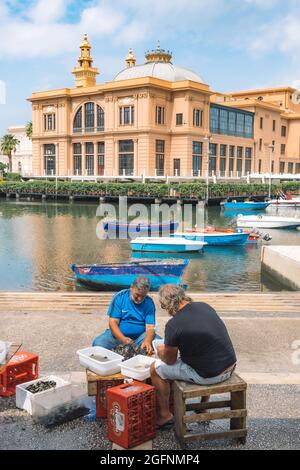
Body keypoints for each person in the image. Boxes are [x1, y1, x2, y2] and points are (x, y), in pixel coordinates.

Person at [150, 285, 237, 429]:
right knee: (205, 356)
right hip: (230, 366)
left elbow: (170, 360)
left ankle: (164, 416)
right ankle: (202, 406)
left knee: (155, 369)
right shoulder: (205, 306)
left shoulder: (174, 324)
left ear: (167, 305)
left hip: (209, 376)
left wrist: (160, 351)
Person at [92, 276, 160, 354]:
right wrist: (123, 339)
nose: (140, 299)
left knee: (160, 345)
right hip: (118, 336)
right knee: (98, 344)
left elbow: (150, 327)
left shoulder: (149, 302)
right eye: (137, 295)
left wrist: (147, 341)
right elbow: (113, 322)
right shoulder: (120, 297)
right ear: (131, 287)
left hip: (140, 337)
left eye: (143, 296)